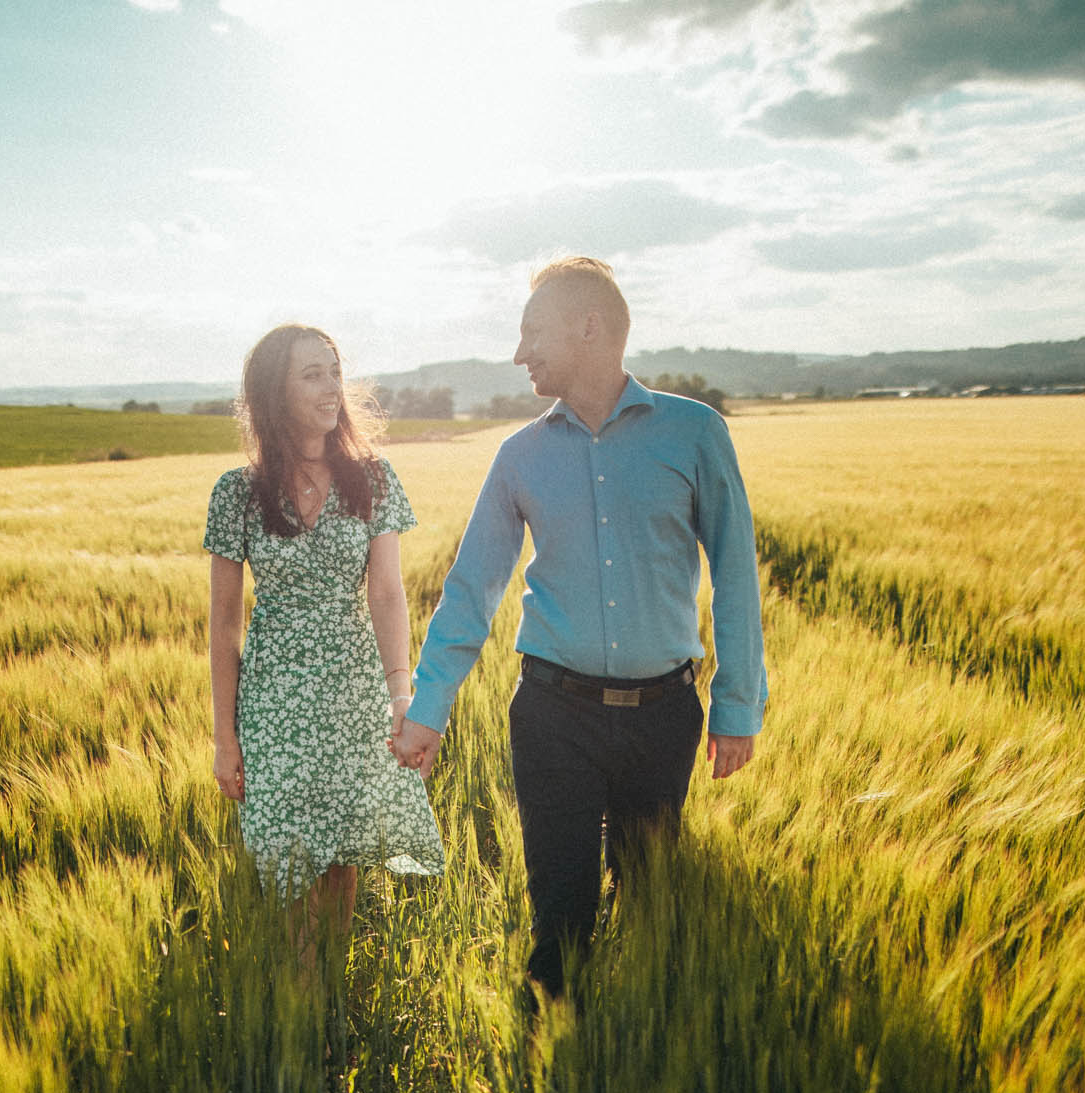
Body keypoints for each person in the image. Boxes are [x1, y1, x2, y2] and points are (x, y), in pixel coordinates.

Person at [391, 257, 766, 1000]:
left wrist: (737, 706)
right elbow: (471, 589)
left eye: (533, 331)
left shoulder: (695, 433)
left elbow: (735, 572)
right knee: (560, 920)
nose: (518, 352)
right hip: (552, 716)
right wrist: (428, 708)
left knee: (648, 901)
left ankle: (631, 1049)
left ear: (589, 326)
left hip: (663, 717)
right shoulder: (519, 456)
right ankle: (552, 1050)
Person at [206, 323, 444, 960]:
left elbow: (387, 594)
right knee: (290, 867)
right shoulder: (236, 493)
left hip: (353, 698)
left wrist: (401, 696)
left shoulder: (373, 479)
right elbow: (223, 626)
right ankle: (305, 997)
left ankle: (329, 993)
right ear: (274, 392)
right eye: (312, 374)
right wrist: (225, 737)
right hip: (274, 708)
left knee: (343, 857)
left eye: (335, 372)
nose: (332, 386)